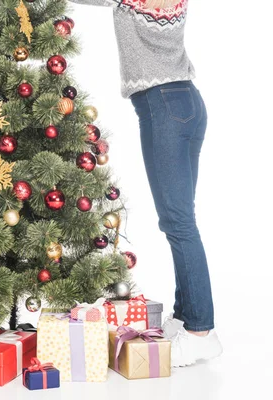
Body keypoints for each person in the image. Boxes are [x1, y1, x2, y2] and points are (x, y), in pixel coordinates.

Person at [66, 0, 222, 367]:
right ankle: (186, 317)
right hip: (188, 101)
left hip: (162, 106)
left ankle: (201, 332)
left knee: (178, 222)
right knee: (181, 220)